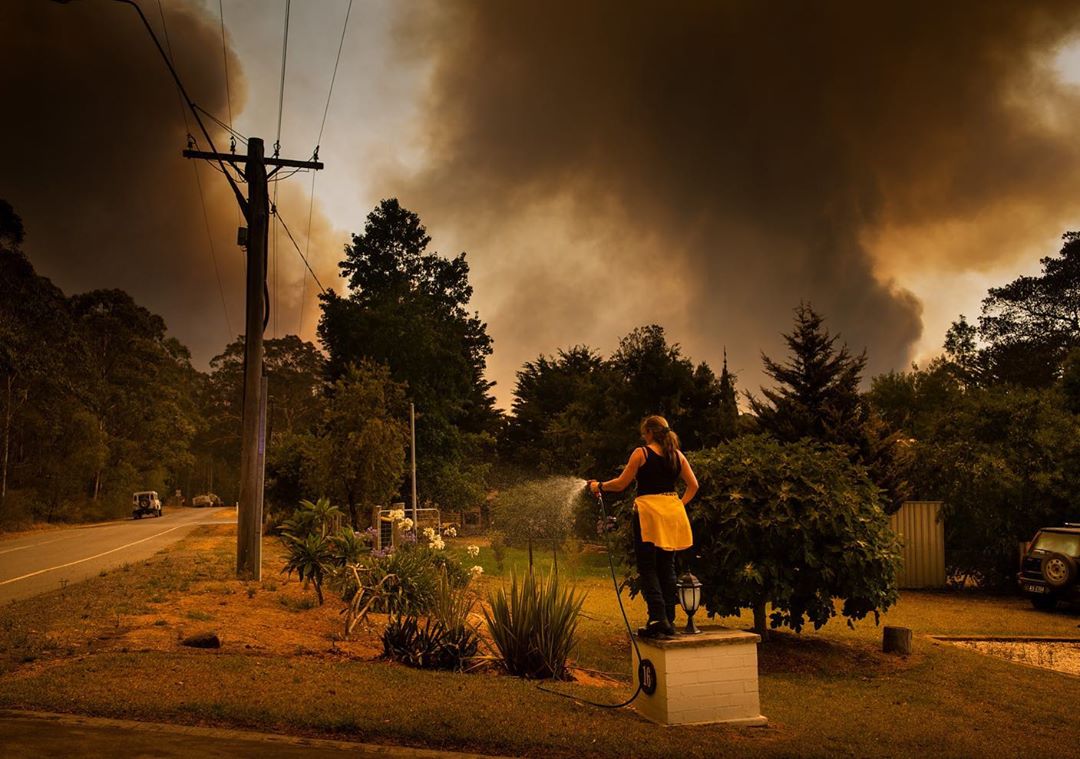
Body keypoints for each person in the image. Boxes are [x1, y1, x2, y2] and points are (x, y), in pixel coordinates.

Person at [589, 415, 698, 637]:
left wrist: (599, 485)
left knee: (647, 566)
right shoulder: (677, 455)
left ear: (649, 432)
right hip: (670, 516)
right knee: (667, 566)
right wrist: (678, 504)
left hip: (648, 515)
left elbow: (620, 484)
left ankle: (657, 619)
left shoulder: (642, 453)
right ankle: (668, 619)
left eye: (644, 433)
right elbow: (693, 485)